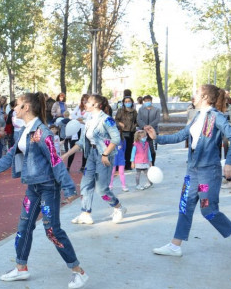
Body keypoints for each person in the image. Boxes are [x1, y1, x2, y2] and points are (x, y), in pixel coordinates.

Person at [0, 92, 87, 289]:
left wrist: (68, 187)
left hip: (48, 187)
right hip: (33, 187)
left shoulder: (41, 132)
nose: (14, 108)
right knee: (24, 227)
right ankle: (21, 267)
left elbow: (55, 160)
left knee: (52, 230)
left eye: (17, 105)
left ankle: (78, 271)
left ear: (26, 108)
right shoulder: (25, 130)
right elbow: (11, 156)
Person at [145, 83, 231, 257]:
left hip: (207, 175)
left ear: (205, 98)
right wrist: (157, 138)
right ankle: (175, 245)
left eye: (197, 93)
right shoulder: (197, 116)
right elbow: (181, 135)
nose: (193, 95)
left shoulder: (217, 117)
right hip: (193, 172)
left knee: (207, 209)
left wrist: (229, 162)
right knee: (185, 205)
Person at [64, 94, 126, 225]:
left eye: (88, 102)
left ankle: (118, 207)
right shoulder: (89, 120)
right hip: (91, 155)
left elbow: (116, 139)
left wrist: (105, 155)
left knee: (102, 189)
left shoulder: (107, 119)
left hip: (104, 156)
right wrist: (65, 155)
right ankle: (85, 213)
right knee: (86, 185)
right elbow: (81, 142)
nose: (85, 104)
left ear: (96, 105)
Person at [136, 95, 160, 165]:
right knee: (142, 148)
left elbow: (157, 119)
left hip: (153, 132)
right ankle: (144, 162)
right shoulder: (141, 109)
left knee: (152, 149)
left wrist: (150, 126)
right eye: (146, 101)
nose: (147, 102)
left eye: (148, 100)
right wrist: (144, 126)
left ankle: (152, 163)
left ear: (151, 101)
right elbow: (139, 119)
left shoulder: (156, 110)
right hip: (143, 132)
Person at [115, 95, 137, 168]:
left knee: (129, 148)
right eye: (126, 102)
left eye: (129, 101)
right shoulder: (120, 110)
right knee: (121, 148)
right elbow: (116, 120)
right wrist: (120, 123)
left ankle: (128, 164)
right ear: (123, 102)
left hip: (131, 132)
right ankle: (119, 164)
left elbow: (136, 121)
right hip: (122, 132)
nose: (127, 103)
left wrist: (134, 126)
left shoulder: (134, 111)